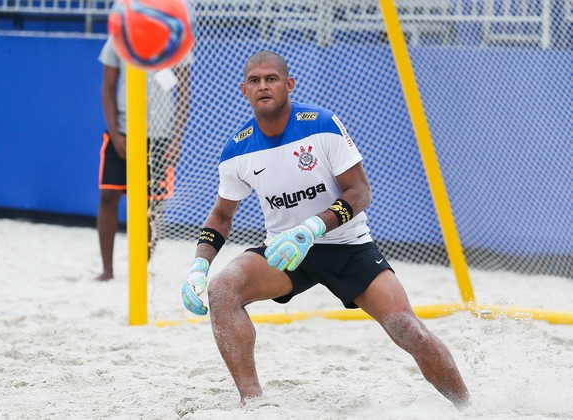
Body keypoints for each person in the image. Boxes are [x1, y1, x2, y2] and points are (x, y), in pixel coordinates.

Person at [181, 50, 470, 409]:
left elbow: (360, 191)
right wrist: (198, 267)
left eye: (271, 79)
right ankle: (253, 405)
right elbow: (221, 217)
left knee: (406, 329)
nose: (263, 86)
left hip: (347, 246)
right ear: (243, 90)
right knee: (222, 290)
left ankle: (468, 408)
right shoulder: (236, 150)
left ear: (289, 85)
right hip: (287, 253)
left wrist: (311, 228)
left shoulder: (321, 124)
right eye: (254, 81)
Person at [97, 38, 191, 281]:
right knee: (108, 195)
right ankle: (107, 270)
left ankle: (139, 270)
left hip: (160, 136)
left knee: (152, 208)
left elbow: (183, 93)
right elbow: (107, 88)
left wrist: (176, 140)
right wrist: (115, 135)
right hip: (124, 133)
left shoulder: (176, 37)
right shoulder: (120, 34)